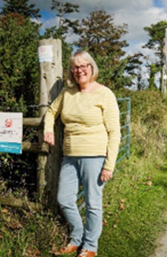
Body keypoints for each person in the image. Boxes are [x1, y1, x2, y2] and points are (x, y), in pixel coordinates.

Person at [45, 50, 121, 257]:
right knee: (64, 199)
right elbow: (52, 111)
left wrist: (109, 164)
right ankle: (77, 236)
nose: (79, 71)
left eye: (83, 66)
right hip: (70, 156)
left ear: (91, 67)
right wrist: (48, 129)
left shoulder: (105, 94)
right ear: (71, 70)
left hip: (95, 156)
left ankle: (89, 246)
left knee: (92, 203)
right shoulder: (68, 92)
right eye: (75, 67)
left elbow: (115, 132)